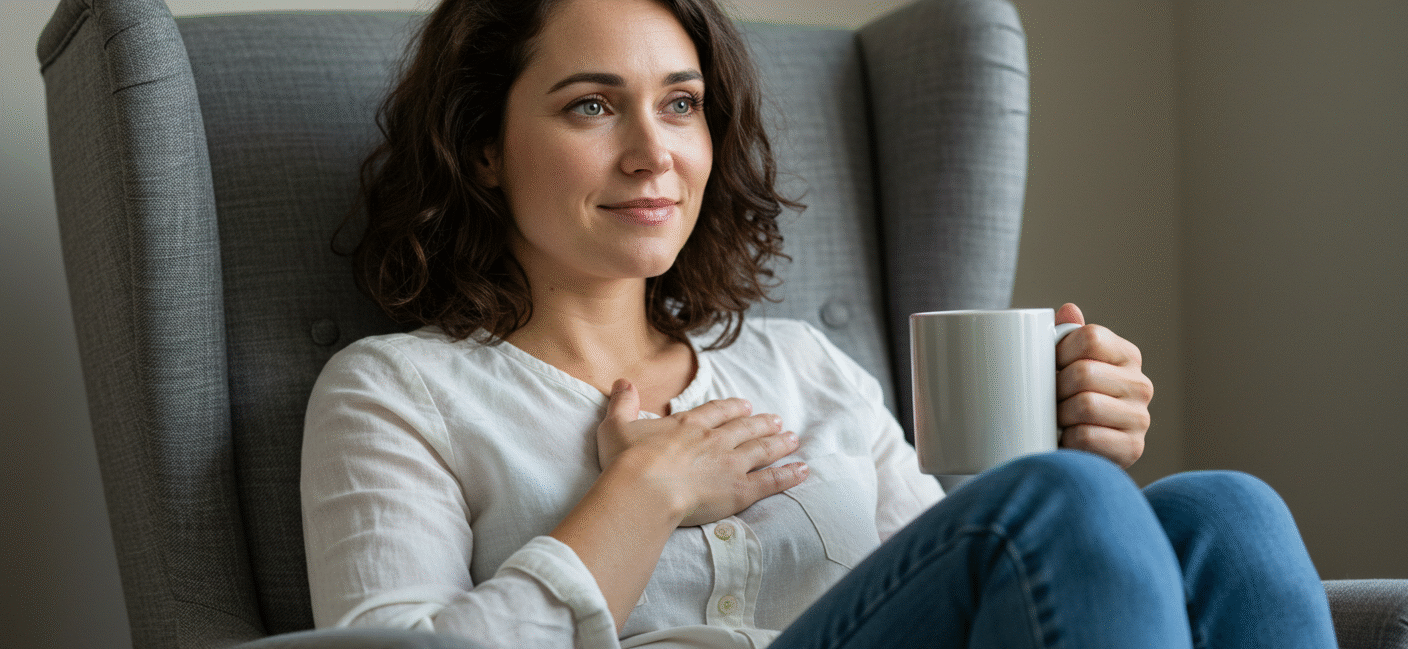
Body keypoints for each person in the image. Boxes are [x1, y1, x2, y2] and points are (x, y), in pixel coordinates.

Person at [301, 0, 1338, 646]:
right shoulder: (395, 389)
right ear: (482, 146)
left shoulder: (800, 362)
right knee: (1059, 499)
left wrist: (1068, 453)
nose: (653, 152)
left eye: (679, 103)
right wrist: (642, 496)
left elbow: (953, 575)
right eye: (590, 105)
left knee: (1225, 512)